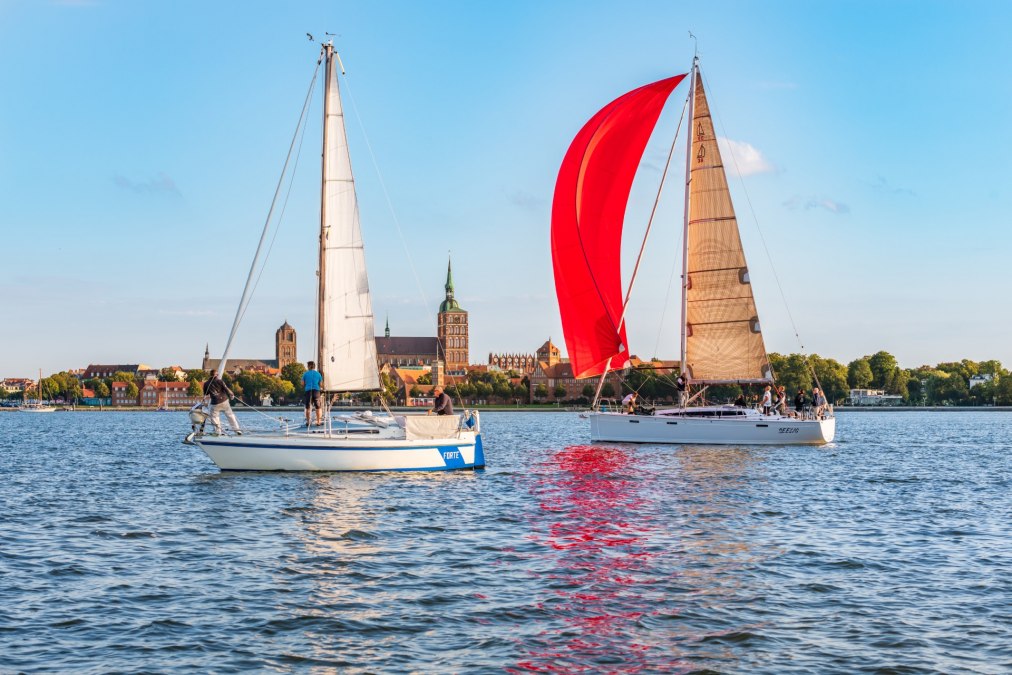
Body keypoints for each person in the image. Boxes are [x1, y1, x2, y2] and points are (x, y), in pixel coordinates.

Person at [203, 369, 241, 435]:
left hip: (215, 403)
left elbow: (206, 394)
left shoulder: (206, 383)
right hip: (224, 401)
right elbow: (226, 389)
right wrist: (231, 394)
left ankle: (218, 432)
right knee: (230, 416)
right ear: (217, 374)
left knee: (215, 418)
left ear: (210, 375)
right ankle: (237, 430)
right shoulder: (220, 381)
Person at [301, 361, 323, 426]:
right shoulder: (318, 374)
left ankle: (308, 422)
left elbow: (302, 384)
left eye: (307, 366)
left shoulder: (305, 374)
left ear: (309, 366)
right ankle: (318, 422)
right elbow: (321, 384)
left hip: (308, 391)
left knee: (308, 408)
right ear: (314, 366)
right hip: (316, 391)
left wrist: (306, 383)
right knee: (318, 407)